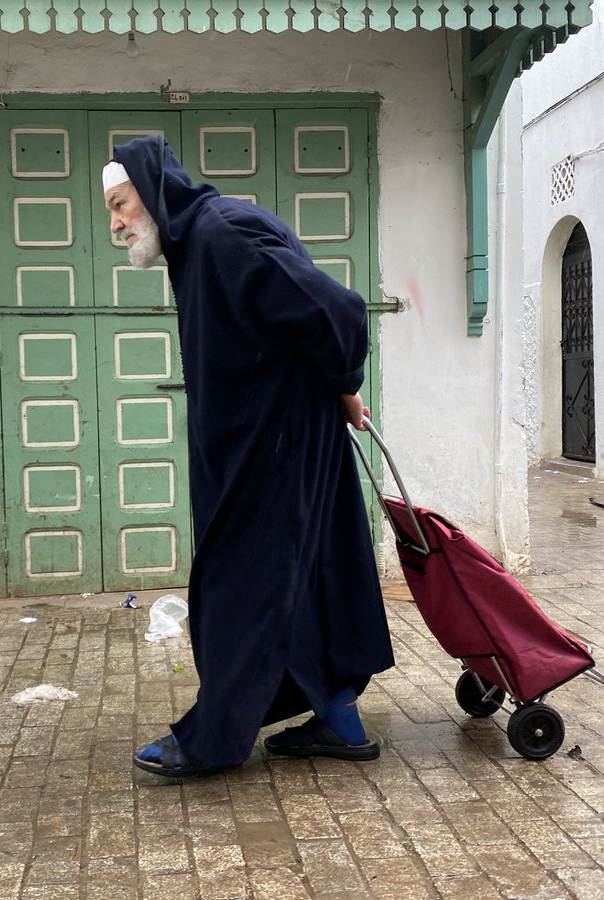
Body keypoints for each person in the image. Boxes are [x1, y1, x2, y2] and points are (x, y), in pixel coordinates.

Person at [102, 135, 395, 778]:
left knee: (244, 583)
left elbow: (334, 309)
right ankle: (340, 722)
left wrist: (343, 383)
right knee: (307, 572)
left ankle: (214, 737)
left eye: (121, 206)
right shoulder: (201, 239)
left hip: (276, 443)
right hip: (267, 436)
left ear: (153, 193)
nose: (118, 225)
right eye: (112, 214)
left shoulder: (219, 234)